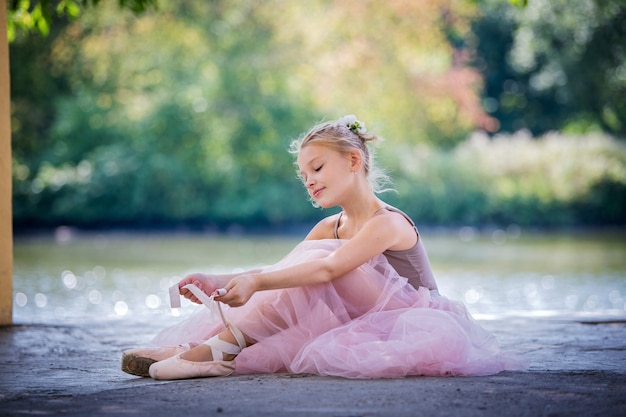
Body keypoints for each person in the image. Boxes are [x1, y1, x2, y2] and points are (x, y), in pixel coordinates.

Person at [121, 115, 525, 380]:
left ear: (353, 162)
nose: (309, 181)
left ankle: (218, 351)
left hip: (409, 320)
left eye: (317, 168)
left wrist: (256, 280)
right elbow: (282, 273)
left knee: (320, 259)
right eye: (303, 175)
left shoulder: (389, 223)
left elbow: (328, 270)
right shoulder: (330, 225)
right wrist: (218, 280)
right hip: (356, 313)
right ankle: (208, 346)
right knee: (302, 265)